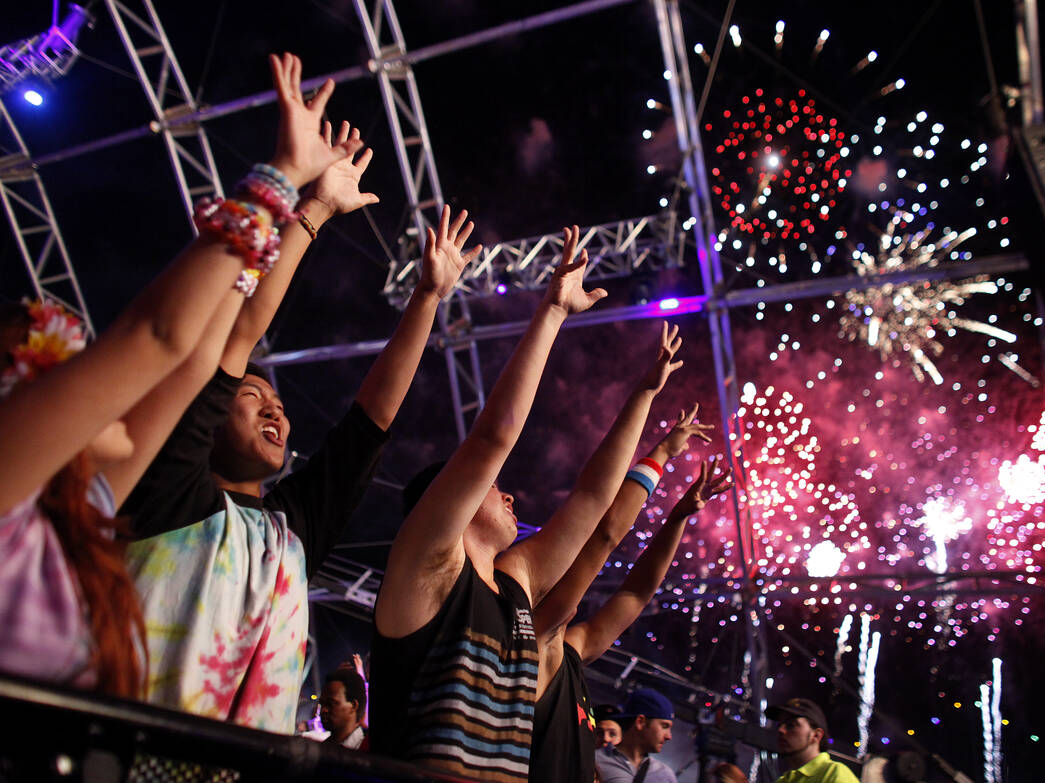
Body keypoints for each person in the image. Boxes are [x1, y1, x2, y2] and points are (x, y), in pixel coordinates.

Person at [118, 54, 481, 732]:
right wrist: (310, 204)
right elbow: (238, 334)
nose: (277, 405)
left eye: (276, 399)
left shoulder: (290, 532)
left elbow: (372, 416)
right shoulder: (167, 488)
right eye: (253, 395)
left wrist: (429, 297)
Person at [0, 51, 359, 697]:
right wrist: (278, 182)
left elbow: (200, 354)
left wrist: (291, 223)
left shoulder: (81, 512)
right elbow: (164, 340)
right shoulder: (9, 481)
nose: (107, 384)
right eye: (70, 367)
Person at [371, 225, 608, 781]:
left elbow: (595, 502)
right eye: (490, 486)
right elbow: (491, 440)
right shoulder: (426, 564)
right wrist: (550, 312)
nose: (508, 493)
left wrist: (646, 402)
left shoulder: (515, 582)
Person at [531, 440, 730, 783]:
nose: (576, 574)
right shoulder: (535, 644)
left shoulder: (571, 647)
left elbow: (636, 594)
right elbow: (606, 536)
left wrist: (678, 517)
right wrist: (663, 452)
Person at [766, 698, 859, 783]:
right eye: (779, 725)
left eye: (791, 725)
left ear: (816, 735)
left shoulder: (834, 773)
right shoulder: (783, 781)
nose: (781, 730)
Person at [595, 687, 678, 783]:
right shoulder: (594, 761)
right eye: (664, 726)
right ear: (640, 722)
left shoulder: (665, 776)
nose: (669, 736)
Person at [319, 669, 369, 750]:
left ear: (353, 706)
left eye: (330, 704)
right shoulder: (319, 750)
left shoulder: (367, 750)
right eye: (321, 704)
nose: (323, 710)